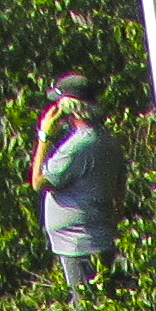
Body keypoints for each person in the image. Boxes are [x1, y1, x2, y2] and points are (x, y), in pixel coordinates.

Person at [31, 74, 118, 290]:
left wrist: (44, 136)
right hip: (99, 238)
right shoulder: (107, 139)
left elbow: (38, 182)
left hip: (78, 246)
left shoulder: (79, 145)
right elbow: (120, 187)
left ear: (69, 107)